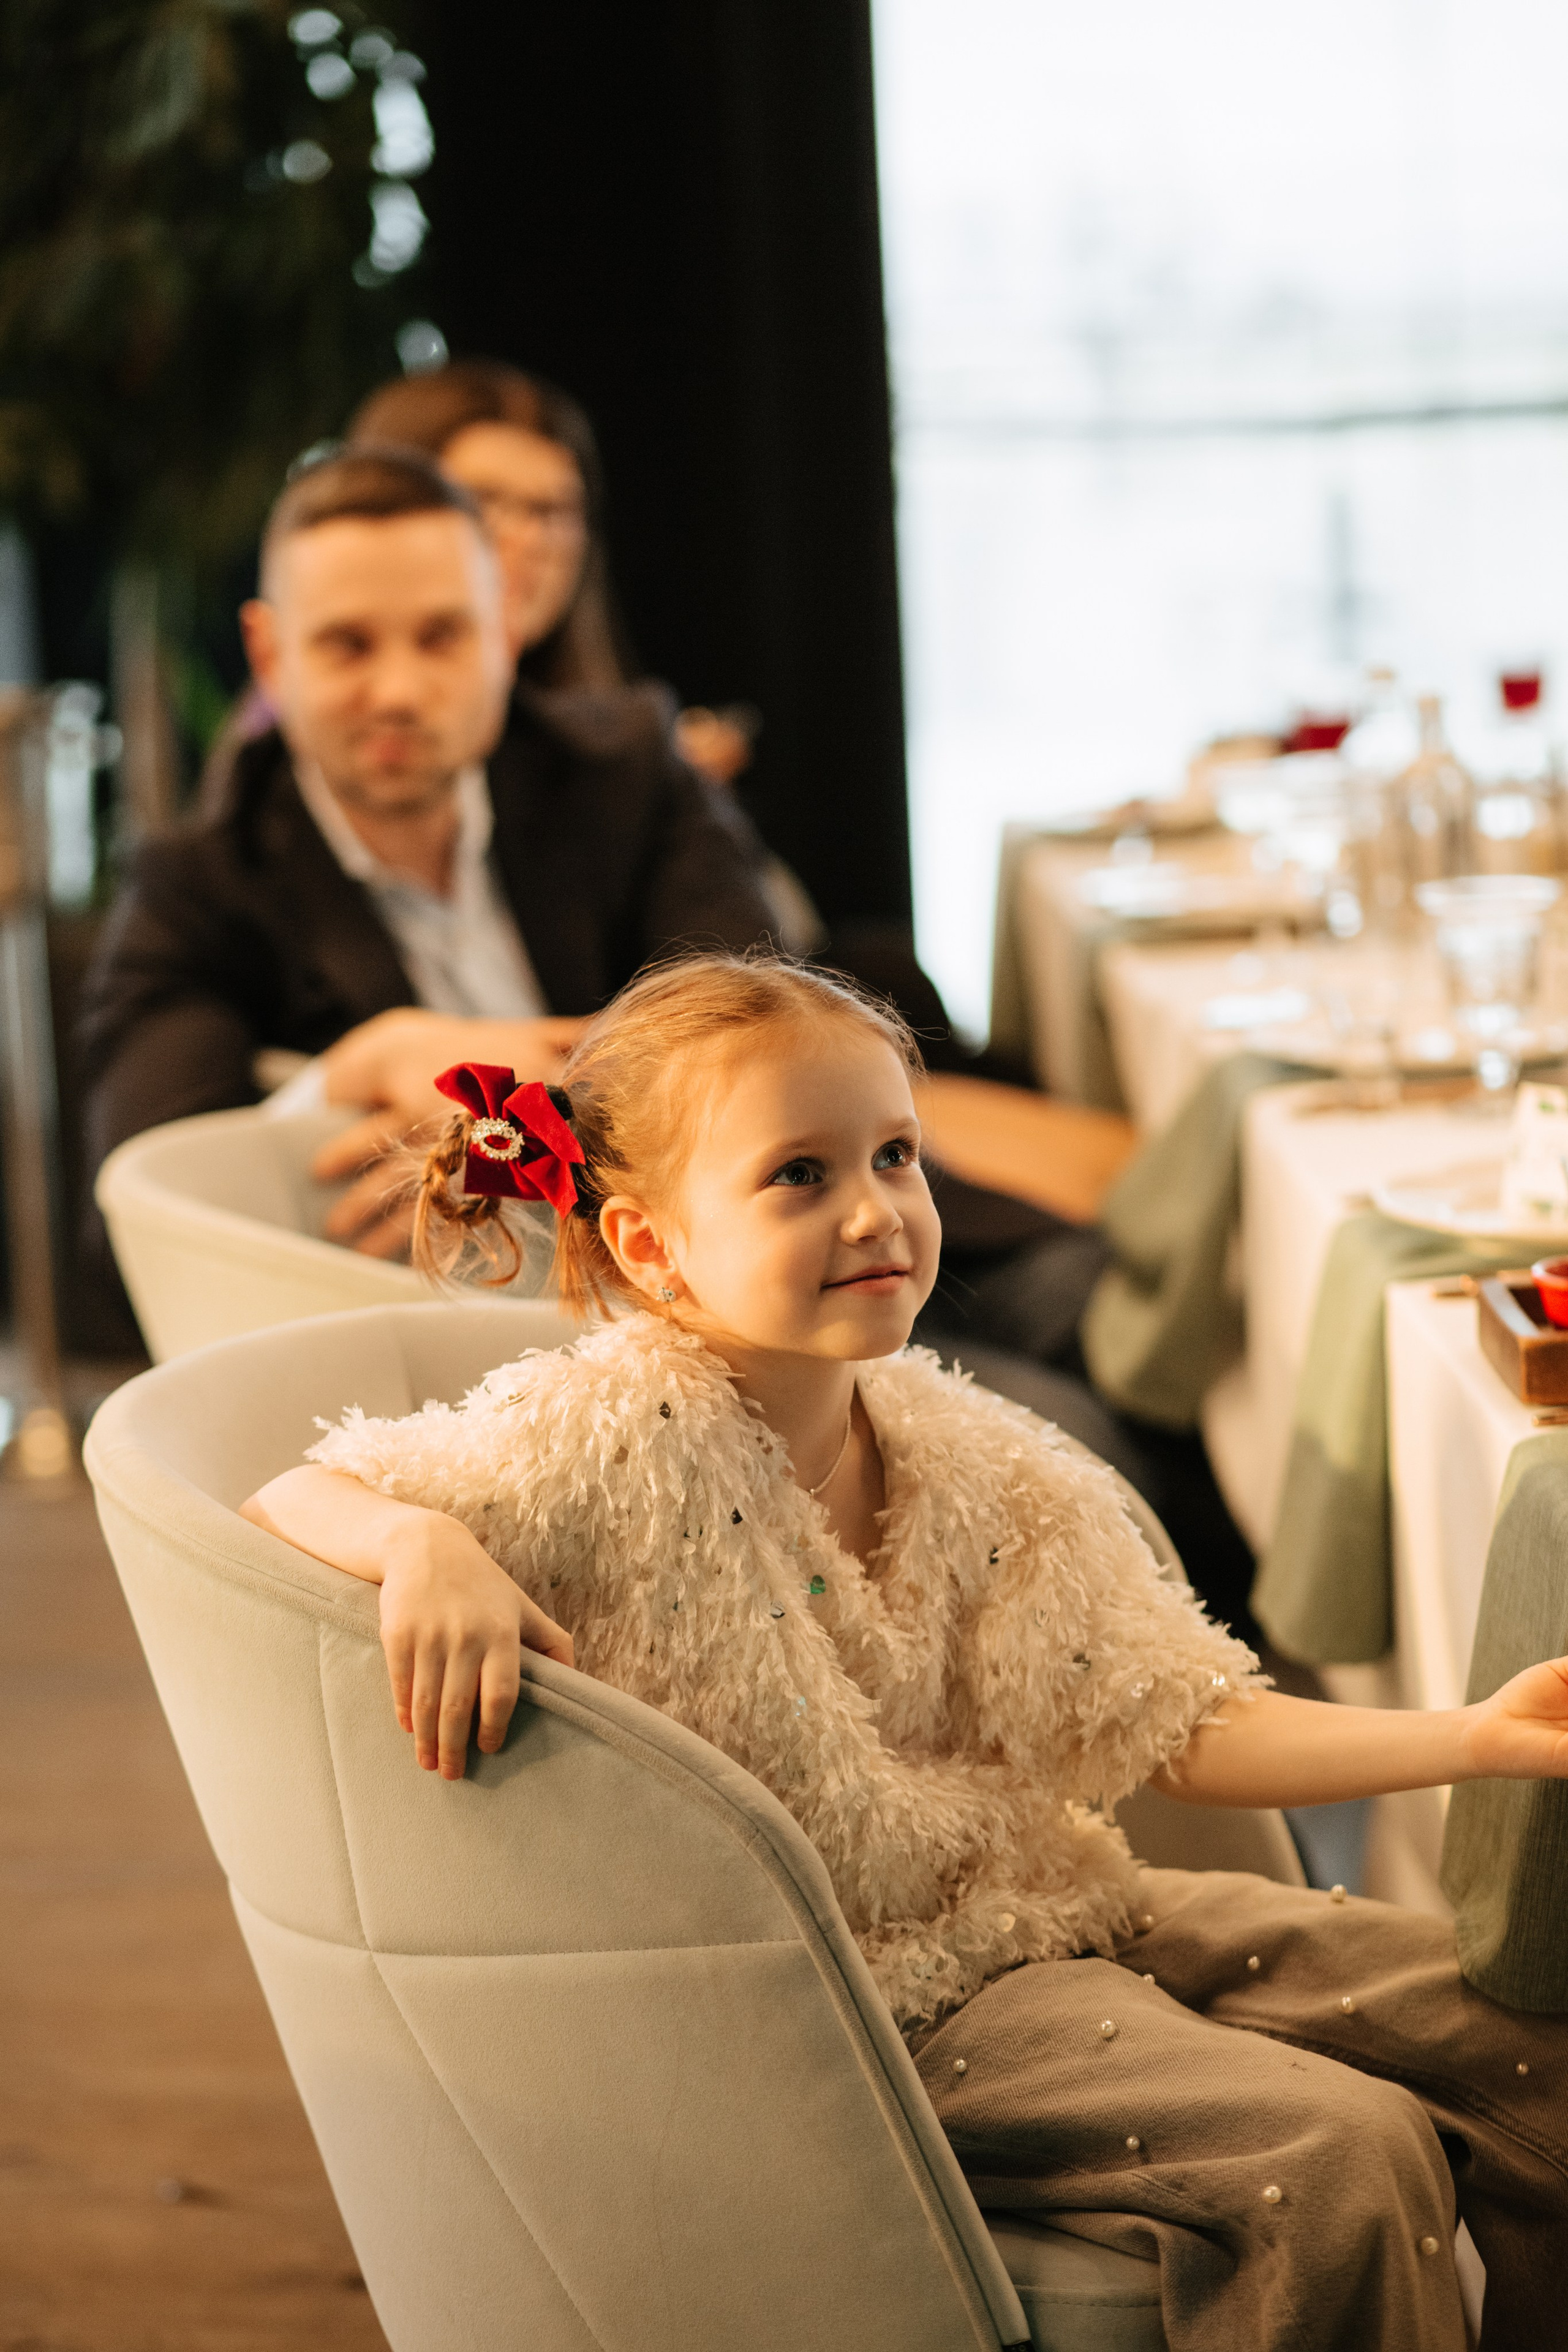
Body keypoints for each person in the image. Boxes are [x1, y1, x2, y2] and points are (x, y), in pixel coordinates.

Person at [243, 952, 1566, 2352]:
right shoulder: (598, 1438)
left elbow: (1175, 1720)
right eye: (797, 1176)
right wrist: (421, 1547)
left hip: (1053, 1917)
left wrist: (1474, 1735)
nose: (875, 1211)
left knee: (1529, 2049)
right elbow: (287, 1496)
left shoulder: (973, 1452)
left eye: (893, 1155)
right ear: (647, 1248)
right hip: (838, 2010)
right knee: (1337, 2155)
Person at [78, 447, 780, 1252]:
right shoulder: (200, 885)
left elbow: (771, 1063)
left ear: (506, 630)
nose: (400, 693)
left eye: (442, 636)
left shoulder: (631, 779)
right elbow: (131, 1222)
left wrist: (521, 1132)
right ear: (270, 655)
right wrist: (362, 1068)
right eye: (349, 644)